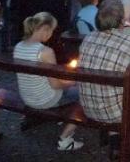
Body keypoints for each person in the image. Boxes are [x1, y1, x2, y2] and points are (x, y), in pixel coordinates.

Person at [13, 12, 82, 151]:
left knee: (69, 85)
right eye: (51, 31)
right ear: (45, 28)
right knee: (84, 93)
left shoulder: (18, 46)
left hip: (27, 97)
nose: (51, 35)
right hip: (45, 99)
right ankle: (66, 138)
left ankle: (55, 117)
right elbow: (55, 85)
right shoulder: (45, 51)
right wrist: (72, 82)